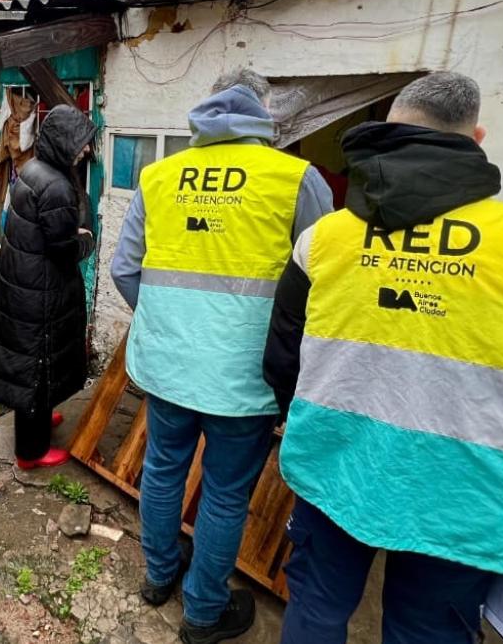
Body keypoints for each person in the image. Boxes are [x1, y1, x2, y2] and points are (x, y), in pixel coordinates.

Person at [264, 72, 503, 644]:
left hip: (336, 465)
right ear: (475, 139)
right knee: (427, 630)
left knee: (315, 606)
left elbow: (284, 350)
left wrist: (298, 419)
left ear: (387, 133)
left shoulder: (326, 238)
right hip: (465, 494)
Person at [110, 68, 333, 644]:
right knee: (226, 493)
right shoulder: (296, 178)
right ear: (263, 112)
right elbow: (323, 289)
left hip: (168, 366)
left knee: (163, 470)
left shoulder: (160, 176)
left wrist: (167, 324)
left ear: (209, 109)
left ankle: (159, 576)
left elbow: (124, 269)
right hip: (245, 377)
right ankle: (204, 613)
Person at [0, 104, 97, 470]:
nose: (86, 150)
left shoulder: (33, 169)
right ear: (63, 142)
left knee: (34, 363)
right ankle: (31, 452)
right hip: (40, 291)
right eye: (81, 143)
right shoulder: (56, 185)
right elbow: (62, 250)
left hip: (24, 283)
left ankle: (40, 415)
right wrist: (85, 239)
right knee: (37, 365)